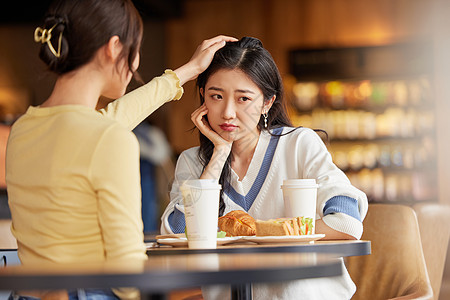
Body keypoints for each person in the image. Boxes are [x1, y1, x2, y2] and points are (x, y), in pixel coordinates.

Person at [5, 0, 236, 299]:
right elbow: (126, 272)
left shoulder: (23, 129)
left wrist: (186, 72)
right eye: (135, 49)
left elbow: (101, 123)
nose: (136, 62)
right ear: (114, 47)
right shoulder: (108, 139)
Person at [160, 37, 368, 299]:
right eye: (216, 96)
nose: (227, 112)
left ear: (267, 102)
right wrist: (218, 156)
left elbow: (347, 222)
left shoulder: (298, 144)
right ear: (202, 96)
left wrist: (258, 231)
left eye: (243, 99)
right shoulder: (193, 162)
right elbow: (176, 230)